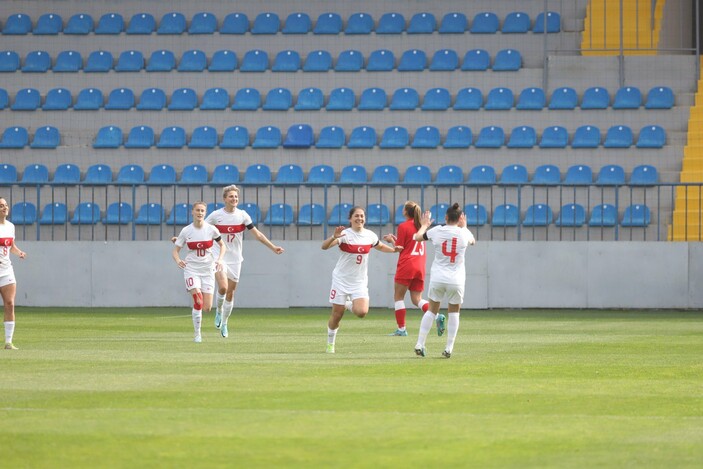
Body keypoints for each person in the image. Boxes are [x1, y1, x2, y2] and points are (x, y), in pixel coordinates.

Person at [205, 185, 284, 338]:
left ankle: (225, 323)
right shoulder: (215, 215)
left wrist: (273, 247)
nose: (234, 199)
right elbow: (201, 230)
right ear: (224, 199)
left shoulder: (242, 215)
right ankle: (219, 311)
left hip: (235, 258)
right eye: (231, 196)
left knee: (231, 292)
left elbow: (257, 234)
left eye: (236, 196)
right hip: (218, 256)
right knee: (222, 287)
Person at [321, 206, 400, 353]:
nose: (360, 219)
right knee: (336, 315)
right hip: (341, 280)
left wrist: (393, 250)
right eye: (356, 216)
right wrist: (334, 236)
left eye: (362, 216)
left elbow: (380, 246)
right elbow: (324, 247)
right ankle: (330, 344)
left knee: (362, 312)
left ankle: (347, 304)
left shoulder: (370, 235)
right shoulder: (344, 234)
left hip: (359, 281)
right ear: (350, 219)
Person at [412, 204, 476, 358]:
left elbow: (417, 237)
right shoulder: (464, 233)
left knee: (432, 310)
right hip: (456, 279)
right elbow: (473, 241)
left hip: (438, 278)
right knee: (454, 312)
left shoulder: (437, 230)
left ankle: (420, 343)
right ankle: (448, 348)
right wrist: (465, 226)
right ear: (460, 218)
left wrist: (424, 225)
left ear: (446, 217)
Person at [172, 201, 226, 343]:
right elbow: (176, 250)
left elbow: (222, 245)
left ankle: (215, 313)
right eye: (197, 210)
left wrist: (219, 259)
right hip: (191, 269)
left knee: (207, 307)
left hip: (208, 269)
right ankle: (197, 335)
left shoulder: (211, 229)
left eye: (202, 211)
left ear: (205, 212)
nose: (200, 213)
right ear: (192, 212)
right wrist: (178, 261)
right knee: (198, 300)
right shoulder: (186, 231)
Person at [383, 201, 430, 336]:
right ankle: (436, 315)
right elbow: (410, 244)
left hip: (407, 265)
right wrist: (395, 240)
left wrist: (391, 241)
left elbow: (400, 248)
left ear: (405, 212)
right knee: (417, 299)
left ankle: (402, 329)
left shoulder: (403, 226)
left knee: (398, 297)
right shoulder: (421, 226)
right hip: (420, 265)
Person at [0, 198, 26, 350]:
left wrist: (19, 252)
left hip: (6, 270)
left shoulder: (10, 226)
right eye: (1, 206)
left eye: (6, 205)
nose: (5, 208)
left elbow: (11, 246)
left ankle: (8, 342)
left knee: (10, 304)